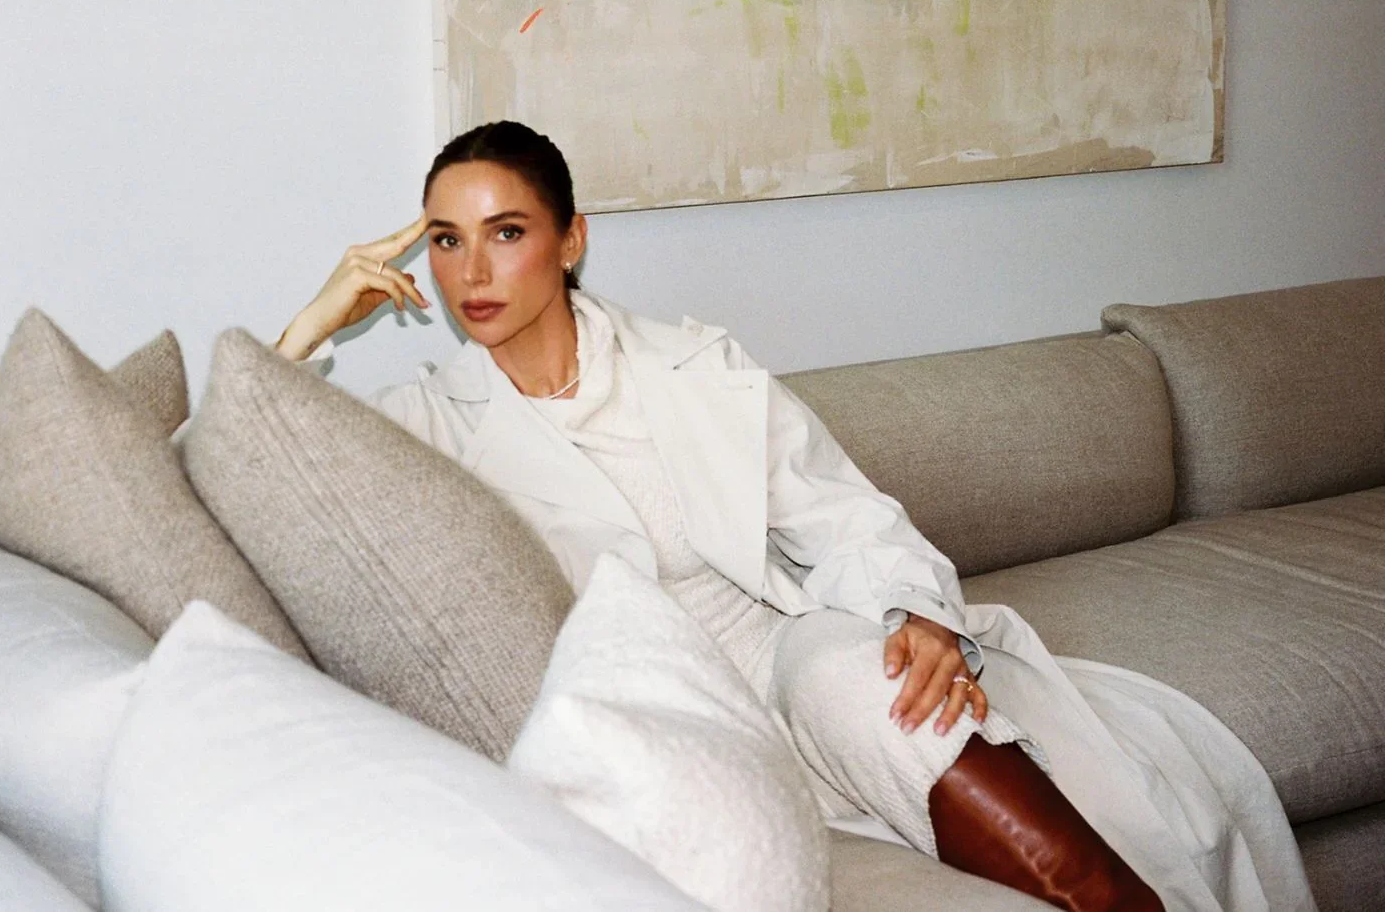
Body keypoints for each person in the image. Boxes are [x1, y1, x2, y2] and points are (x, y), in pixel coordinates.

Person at [276, 122, 1313, 912]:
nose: (470, 273)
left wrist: (920, 616)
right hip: (658, 712)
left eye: (505, 233)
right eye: (446, 241)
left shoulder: (692, 363)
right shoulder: (424, 424)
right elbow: (256, 483)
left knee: (863, 677)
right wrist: (311, 327)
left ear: (570, 238)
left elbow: (842, 512)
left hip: (782, 655)